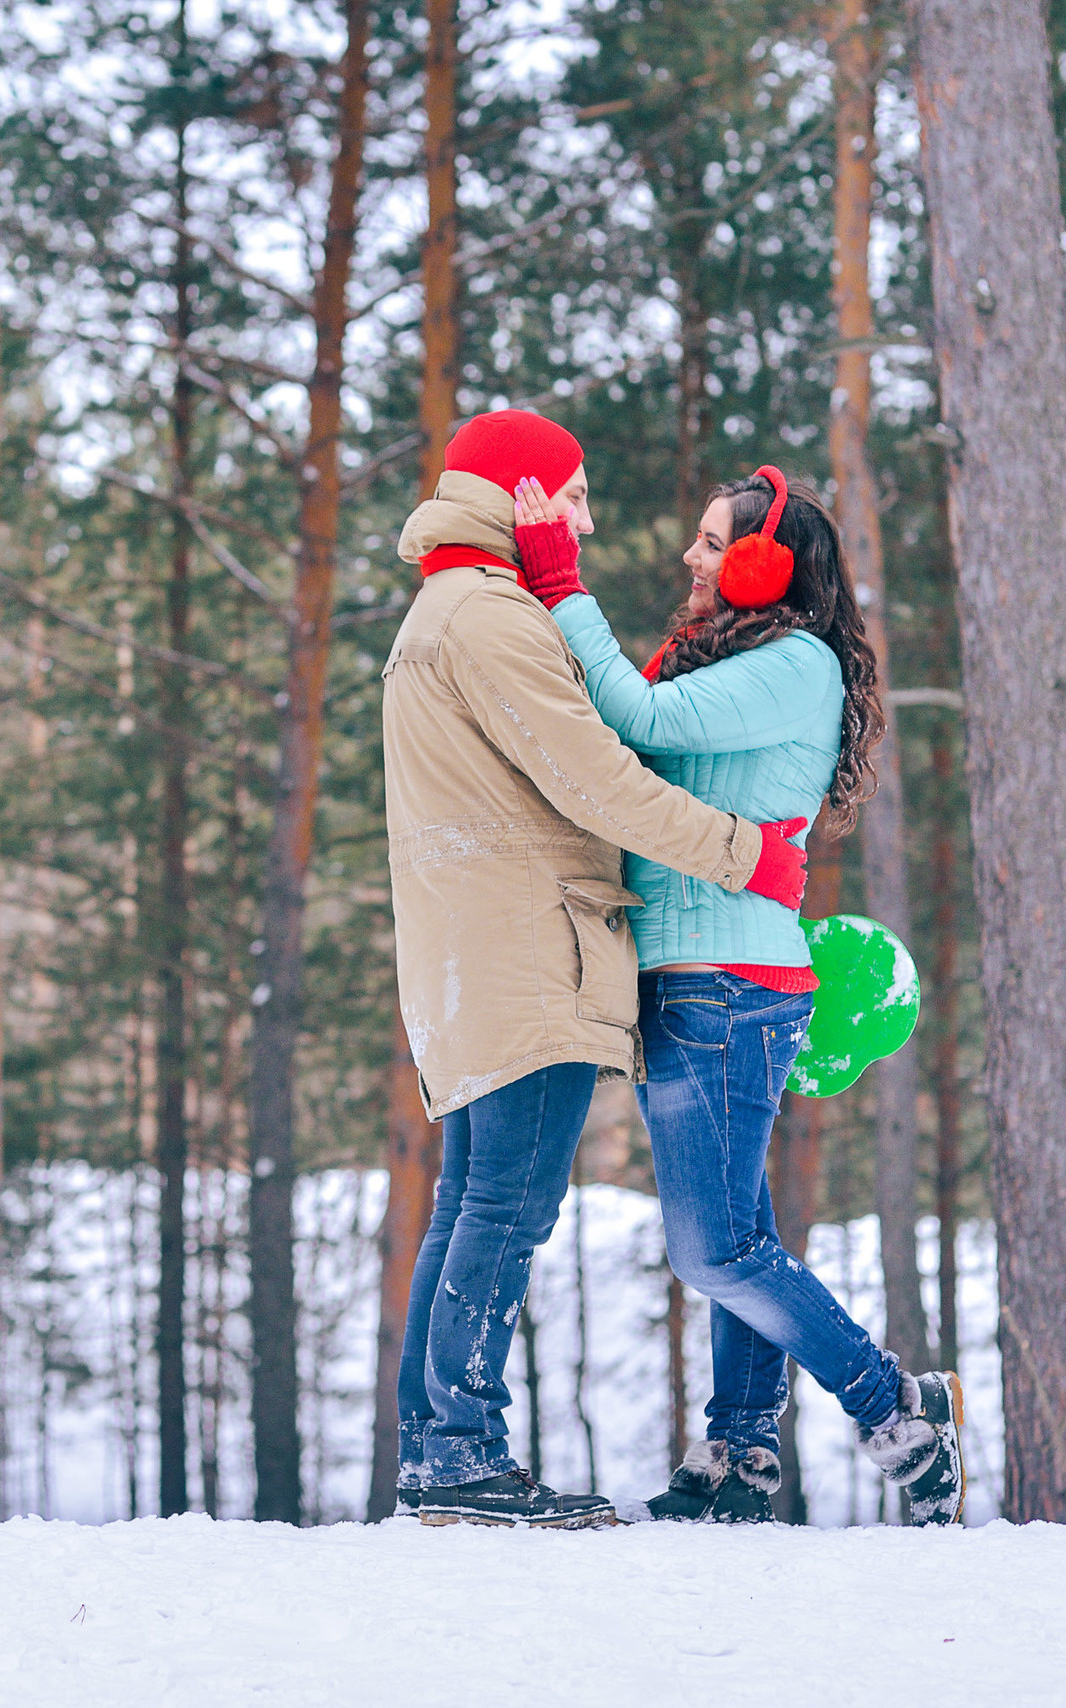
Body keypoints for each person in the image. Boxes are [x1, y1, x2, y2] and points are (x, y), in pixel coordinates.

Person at [509, 465, 965, 1528]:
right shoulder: (743, 656)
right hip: (691, 978)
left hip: (730, 983)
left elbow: (638, 714)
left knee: (714, 1247)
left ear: (767, 565)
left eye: (713, 543)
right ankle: (739, 1454)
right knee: (741, 1231)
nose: (691, 559)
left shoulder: (795, 663)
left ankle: (896, 1405)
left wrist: (558, 580)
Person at [383, 411, 809, 1529]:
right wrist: (744, 852)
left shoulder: (446, 610)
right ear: (519, 497)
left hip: (479, 952)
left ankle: (440, 1451)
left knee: (469, 1204)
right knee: (506, 1209)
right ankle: (463, 1456)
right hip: (531, 950)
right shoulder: (492, 619)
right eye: (568, 496)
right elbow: (600, 779)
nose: (583, 519)